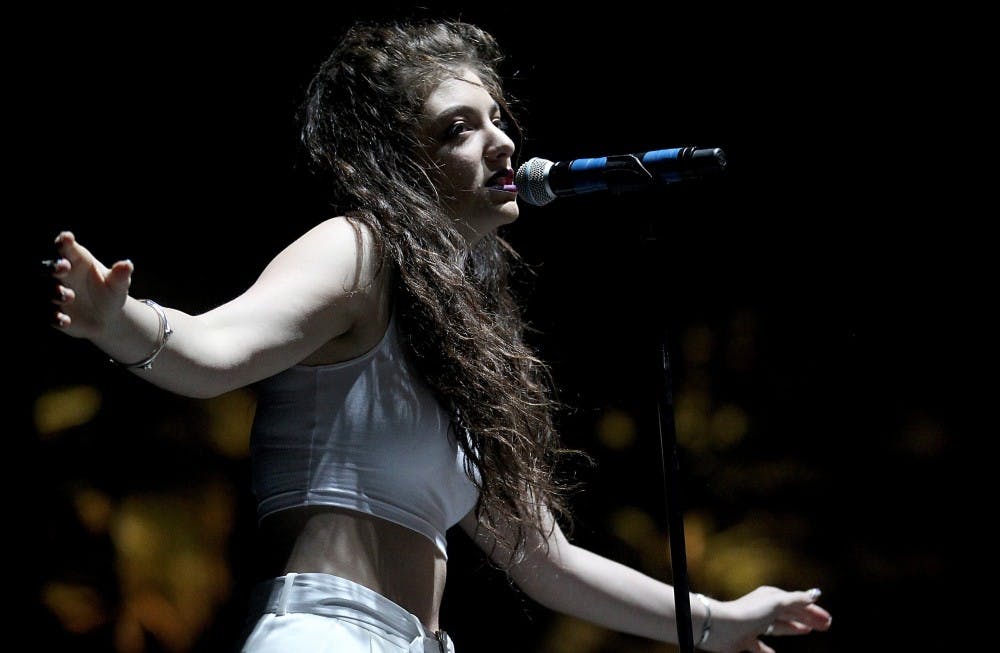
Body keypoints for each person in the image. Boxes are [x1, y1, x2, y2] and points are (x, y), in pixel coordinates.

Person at [43, 18, 832, 653]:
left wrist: (715, 619)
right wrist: (122, 321)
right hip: (325, 632)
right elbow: (212, 351)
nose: (502, 142)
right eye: (460, 127)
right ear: (400, 163)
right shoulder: (358, 248)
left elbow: (542, 557)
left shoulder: (457, 325)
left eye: (497, 119)